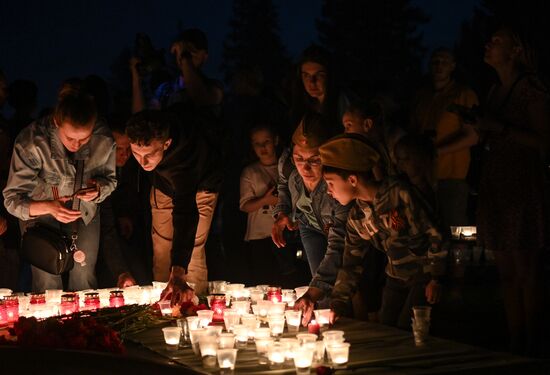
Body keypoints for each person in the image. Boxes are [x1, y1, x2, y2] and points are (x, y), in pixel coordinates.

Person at [319, 134, 446, 329]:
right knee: (386, 329)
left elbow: (436, 233)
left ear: (352, 179)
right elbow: (351, 263)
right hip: (394, 279)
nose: (329, 191)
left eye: (331, 183)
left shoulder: (399, 193)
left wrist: (435, 276)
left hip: (423, 276)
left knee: (409, 330)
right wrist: (338, 303)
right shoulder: (357, 218)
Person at [475, 28, 549, 356]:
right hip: (497, 186)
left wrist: (501, 129)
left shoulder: (530, 89)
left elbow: (545, 140)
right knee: (505, 271)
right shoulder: (494, 91)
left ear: (515, 50)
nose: (488, 44)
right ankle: (514, 338)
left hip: (521, 185)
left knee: (525, 269)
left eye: (496, 41)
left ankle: (534, 340)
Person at [3, 85, 117, 292]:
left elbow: (110, 180)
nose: (77, 145)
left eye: (84, 138)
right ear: (57, 122)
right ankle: (50, 324)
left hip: (85, 214)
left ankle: (85, 323)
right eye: (70, 138)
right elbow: (12, 200)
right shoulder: (31, 143)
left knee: (84, 276)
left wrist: (99, 189)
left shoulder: (104, 139)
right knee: (47, 280)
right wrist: (50, 207)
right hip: (40, 219)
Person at [125, 109, 222, 305]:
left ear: (167, 143)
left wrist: (178, 270)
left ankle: (190, 305)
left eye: (149, 155)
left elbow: (186, 213)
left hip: (201, 188)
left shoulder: (185, 158)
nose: (143, 162)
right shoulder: (151, 133)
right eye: (136, 154)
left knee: (191, 249)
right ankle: (164, 305)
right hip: (162, 186)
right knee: (162, 248)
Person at [272, 113, 350, 315]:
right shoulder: (288, 165)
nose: (304, 168)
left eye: (315, 160)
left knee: (344, 279)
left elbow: (338, 243)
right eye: (299, 159)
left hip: (339, 232)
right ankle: (325, 322)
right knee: (319, 281)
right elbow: (283, 184)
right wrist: (283, 211)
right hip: (308, 225)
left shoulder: (337, 187)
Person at [410, 48, 479, 230]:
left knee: (454, 229)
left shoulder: (463, 95)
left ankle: (460, 258)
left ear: (453, 66)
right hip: (423, 177)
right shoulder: (422, 97)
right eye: (435, 61)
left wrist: (436, 151)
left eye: (444, 61)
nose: (439, 65)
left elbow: (472, 136)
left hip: (452, 177)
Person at [131, 29, 223, 113]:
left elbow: (201, 99)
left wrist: (185, 57)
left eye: (192, 52)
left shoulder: (213, 86)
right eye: (182, 52)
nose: (186, 57)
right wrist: (136, 78)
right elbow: (141, 119)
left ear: (204, 57)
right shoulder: (165, 90)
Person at [239, 125, 280, 284]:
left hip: (285, 235)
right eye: (257, 143)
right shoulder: (250, 172)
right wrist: (265, 200)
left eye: (266, 142)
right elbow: (244, 206)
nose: (262, 147)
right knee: (263, 281)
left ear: (275, 141)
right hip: (259, 236)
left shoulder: (287, 168)